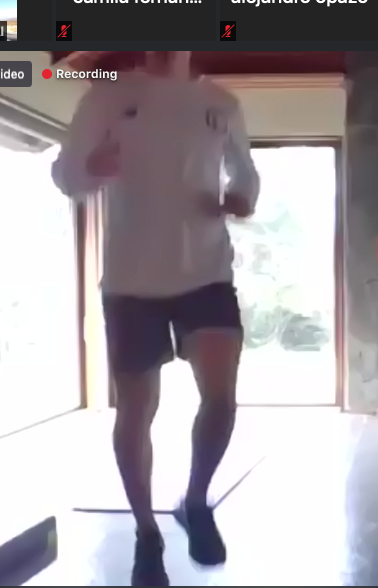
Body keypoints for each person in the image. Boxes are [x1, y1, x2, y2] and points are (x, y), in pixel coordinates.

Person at [50, 51, 259, 582]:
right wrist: (92, 168)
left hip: (206, 272)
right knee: (137, 409)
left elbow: (246, 176)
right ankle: (146, 533)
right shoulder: (108, 96)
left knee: (221, 399)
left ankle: (195, 500)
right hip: (132, 281)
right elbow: (65, 173)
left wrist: (239, 199)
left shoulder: (221, 104)